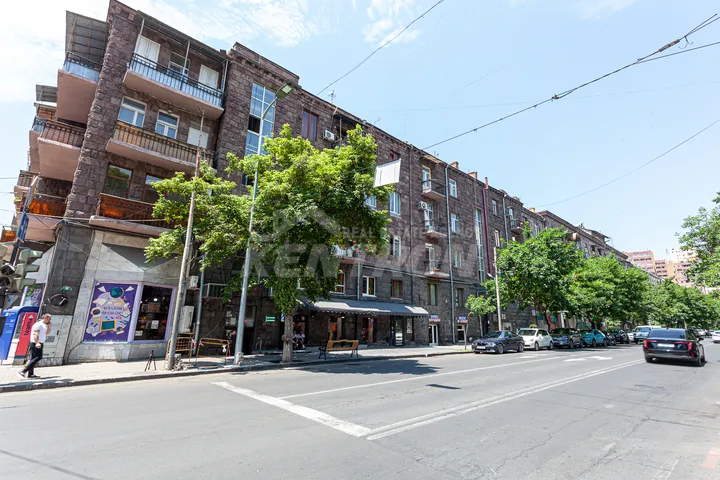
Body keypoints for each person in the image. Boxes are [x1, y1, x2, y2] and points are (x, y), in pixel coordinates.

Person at [17, 313, 51, 379]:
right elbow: (35, 334)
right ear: (45, 318)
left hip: (40, 343)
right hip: (35, 343)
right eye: (49, 318)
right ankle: (23, 372)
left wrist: (49, 326)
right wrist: (37, 342)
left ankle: (31, 374)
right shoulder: (38, 324)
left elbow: (46, 333)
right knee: (38, 357)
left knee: (33, 358)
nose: (50, 320)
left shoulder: (44, 325)